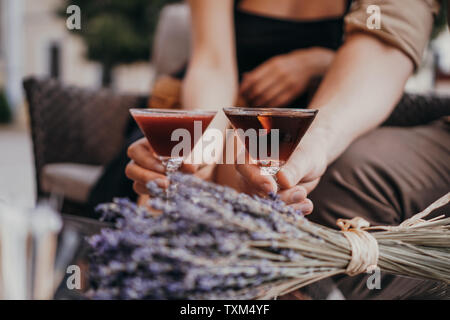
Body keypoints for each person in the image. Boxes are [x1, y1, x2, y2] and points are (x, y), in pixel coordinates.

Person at [125, 0, 449, 298]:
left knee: (244, 194)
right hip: (224, 109)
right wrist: (203, 148)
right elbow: (212, 63)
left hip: (310, 118)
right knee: (167, 204)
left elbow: (386, 41)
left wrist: (319, 64)